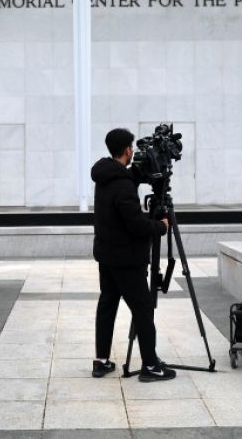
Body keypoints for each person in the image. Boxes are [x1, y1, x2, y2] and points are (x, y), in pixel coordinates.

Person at [90, 127, 176, 382]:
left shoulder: (106, 176)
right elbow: (136, 224)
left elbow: (127, 181)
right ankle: (150, 366)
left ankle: (101, 361)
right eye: (132, 148)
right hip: (126, 259)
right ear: (127, 150)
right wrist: (159, 226)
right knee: (143, 309)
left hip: (107, 255)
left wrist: (138, 175)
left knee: (107, 305)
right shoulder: (123, 185)